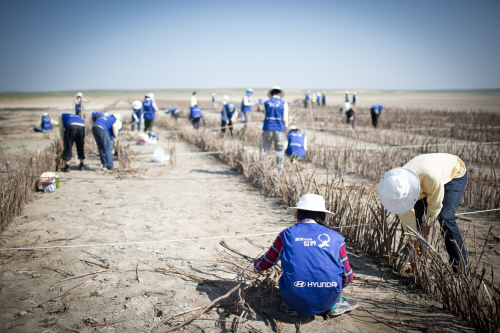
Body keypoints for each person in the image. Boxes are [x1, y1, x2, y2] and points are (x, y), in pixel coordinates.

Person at [254, 194, 356, 317]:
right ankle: (332, 304)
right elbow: (348, 276)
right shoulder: (335, 237)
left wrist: (256, 266)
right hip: (328, 297)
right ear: (323, 216)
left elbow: (265, 263)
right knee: (327, 291)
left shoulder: (287, 235)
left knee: (291, 283)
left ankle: (291, 306)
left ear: (299, 214)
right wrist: (334, 288)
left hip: (294, 294)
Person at [378, 153, 468, 272]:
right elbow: (408, 218)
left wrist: (426, 228)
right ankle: (417, 257)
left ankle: (460, 269)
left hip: (453, 173)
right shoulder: (393, 183)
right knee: (416, 219)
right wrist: (413, 241)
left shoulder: (431, 179)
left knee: (445, 217)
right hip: (423, 174)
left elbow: (435, 207)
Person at [261, 86, 289, 170]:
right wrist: (286, 125)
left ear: (271, 93)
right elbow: (285, 118)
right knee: (280, 150)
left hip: (267, 127)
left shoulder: (266, 103)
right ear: (280, 93)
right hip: (279, 128)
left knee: (265, 149)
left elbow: (265, 114)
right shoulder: (283, 103)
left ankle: (263, 167)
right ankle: (280, 169)